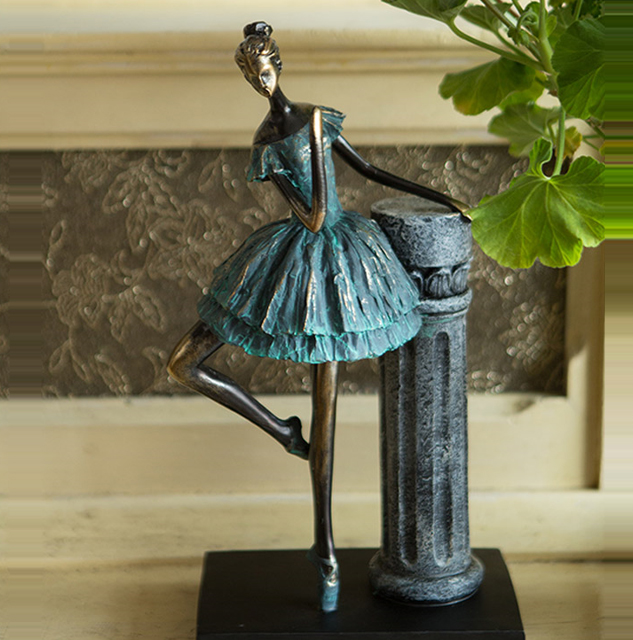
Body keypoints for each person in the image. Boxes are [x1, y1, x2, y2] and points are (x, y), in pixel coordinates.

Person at [167, 21, 465, 613]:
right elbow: (312, 215)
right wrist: (317, 152)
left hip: (342, 265)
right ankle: (283, 431)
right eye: (252, 77)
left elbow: (370, 173)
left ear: (277, 65)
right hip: (292, 256)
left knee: (326, 411)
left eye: (265, 71)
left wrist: (443, 197)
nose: (261, 83)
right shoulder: (266, 141)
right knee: (183, 363)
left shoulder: (317, 116)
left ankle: (325, 551)